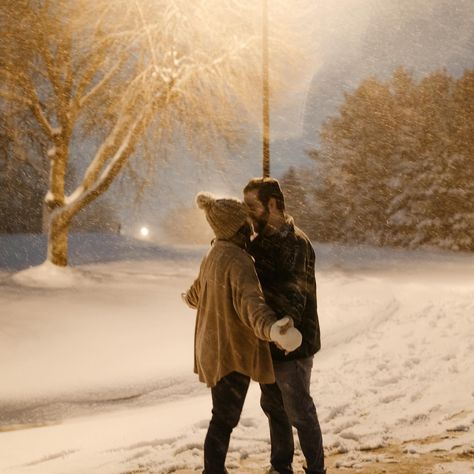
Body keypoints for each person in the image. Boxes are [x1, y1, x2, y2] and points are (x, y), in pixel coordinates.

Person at [182, 191, 303, 474]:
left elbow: (196, 292)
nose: (250, 227)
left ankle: (218, 470)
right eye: (245, 223)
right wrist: (273, 329)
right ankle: (214, 471)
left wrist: (186, 298)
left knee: (223, 417)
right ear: (236, 227)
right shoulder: (237, 260)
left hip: (213, 349)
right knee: (224, 419)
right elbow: (251, 305)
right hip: (231, 353)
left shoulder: (214, 254)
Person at [243, 178, 326, 474]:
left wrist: (287, 321)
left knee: (299, 412)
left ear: (273, 204)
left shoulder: (296, 242)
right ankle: (280, 467)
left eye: (252, 206)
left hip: (295, 343)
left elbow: (297, 290)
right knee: (273, 409)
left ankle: (316, 469)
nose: (248, 212)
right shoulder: (259, 242)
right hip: (267, 341)